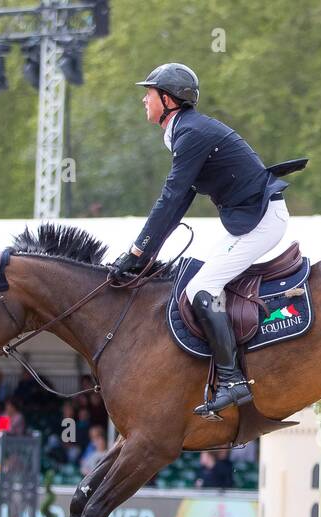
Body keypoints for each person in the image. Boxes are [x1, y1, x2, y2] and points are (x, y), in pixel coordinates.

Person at [109, 63, 301, 419]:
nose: (143, 99)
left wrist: (137, 252)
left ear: (168, 99)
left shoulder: (191, 133)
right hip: (245, 219)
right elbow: (179, 200)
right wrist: (144, 254)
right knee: (198, 281)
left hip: (260, 221)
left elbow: (171, 197)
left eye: (149, 93)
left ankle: (232, 380)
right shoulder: (184, 130)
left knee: (202, 289)